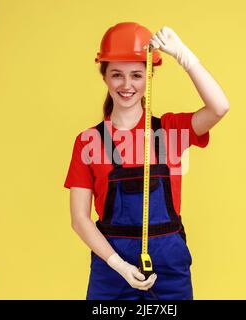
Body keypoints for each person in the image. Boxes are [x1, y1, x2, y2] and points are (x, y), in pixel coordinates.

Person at [64, 22, 229, 300]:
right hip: (112, 270)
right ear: (104, 76)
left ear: (149, 77)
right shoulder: (88, 142)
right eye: (117, 74)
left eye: (137, 75)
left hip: (170, 270)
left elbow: (219, 107)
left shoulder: (170, 132)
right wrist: (117, 265)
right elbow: (80, 219)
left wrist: (184, 57)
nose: (127, 85)